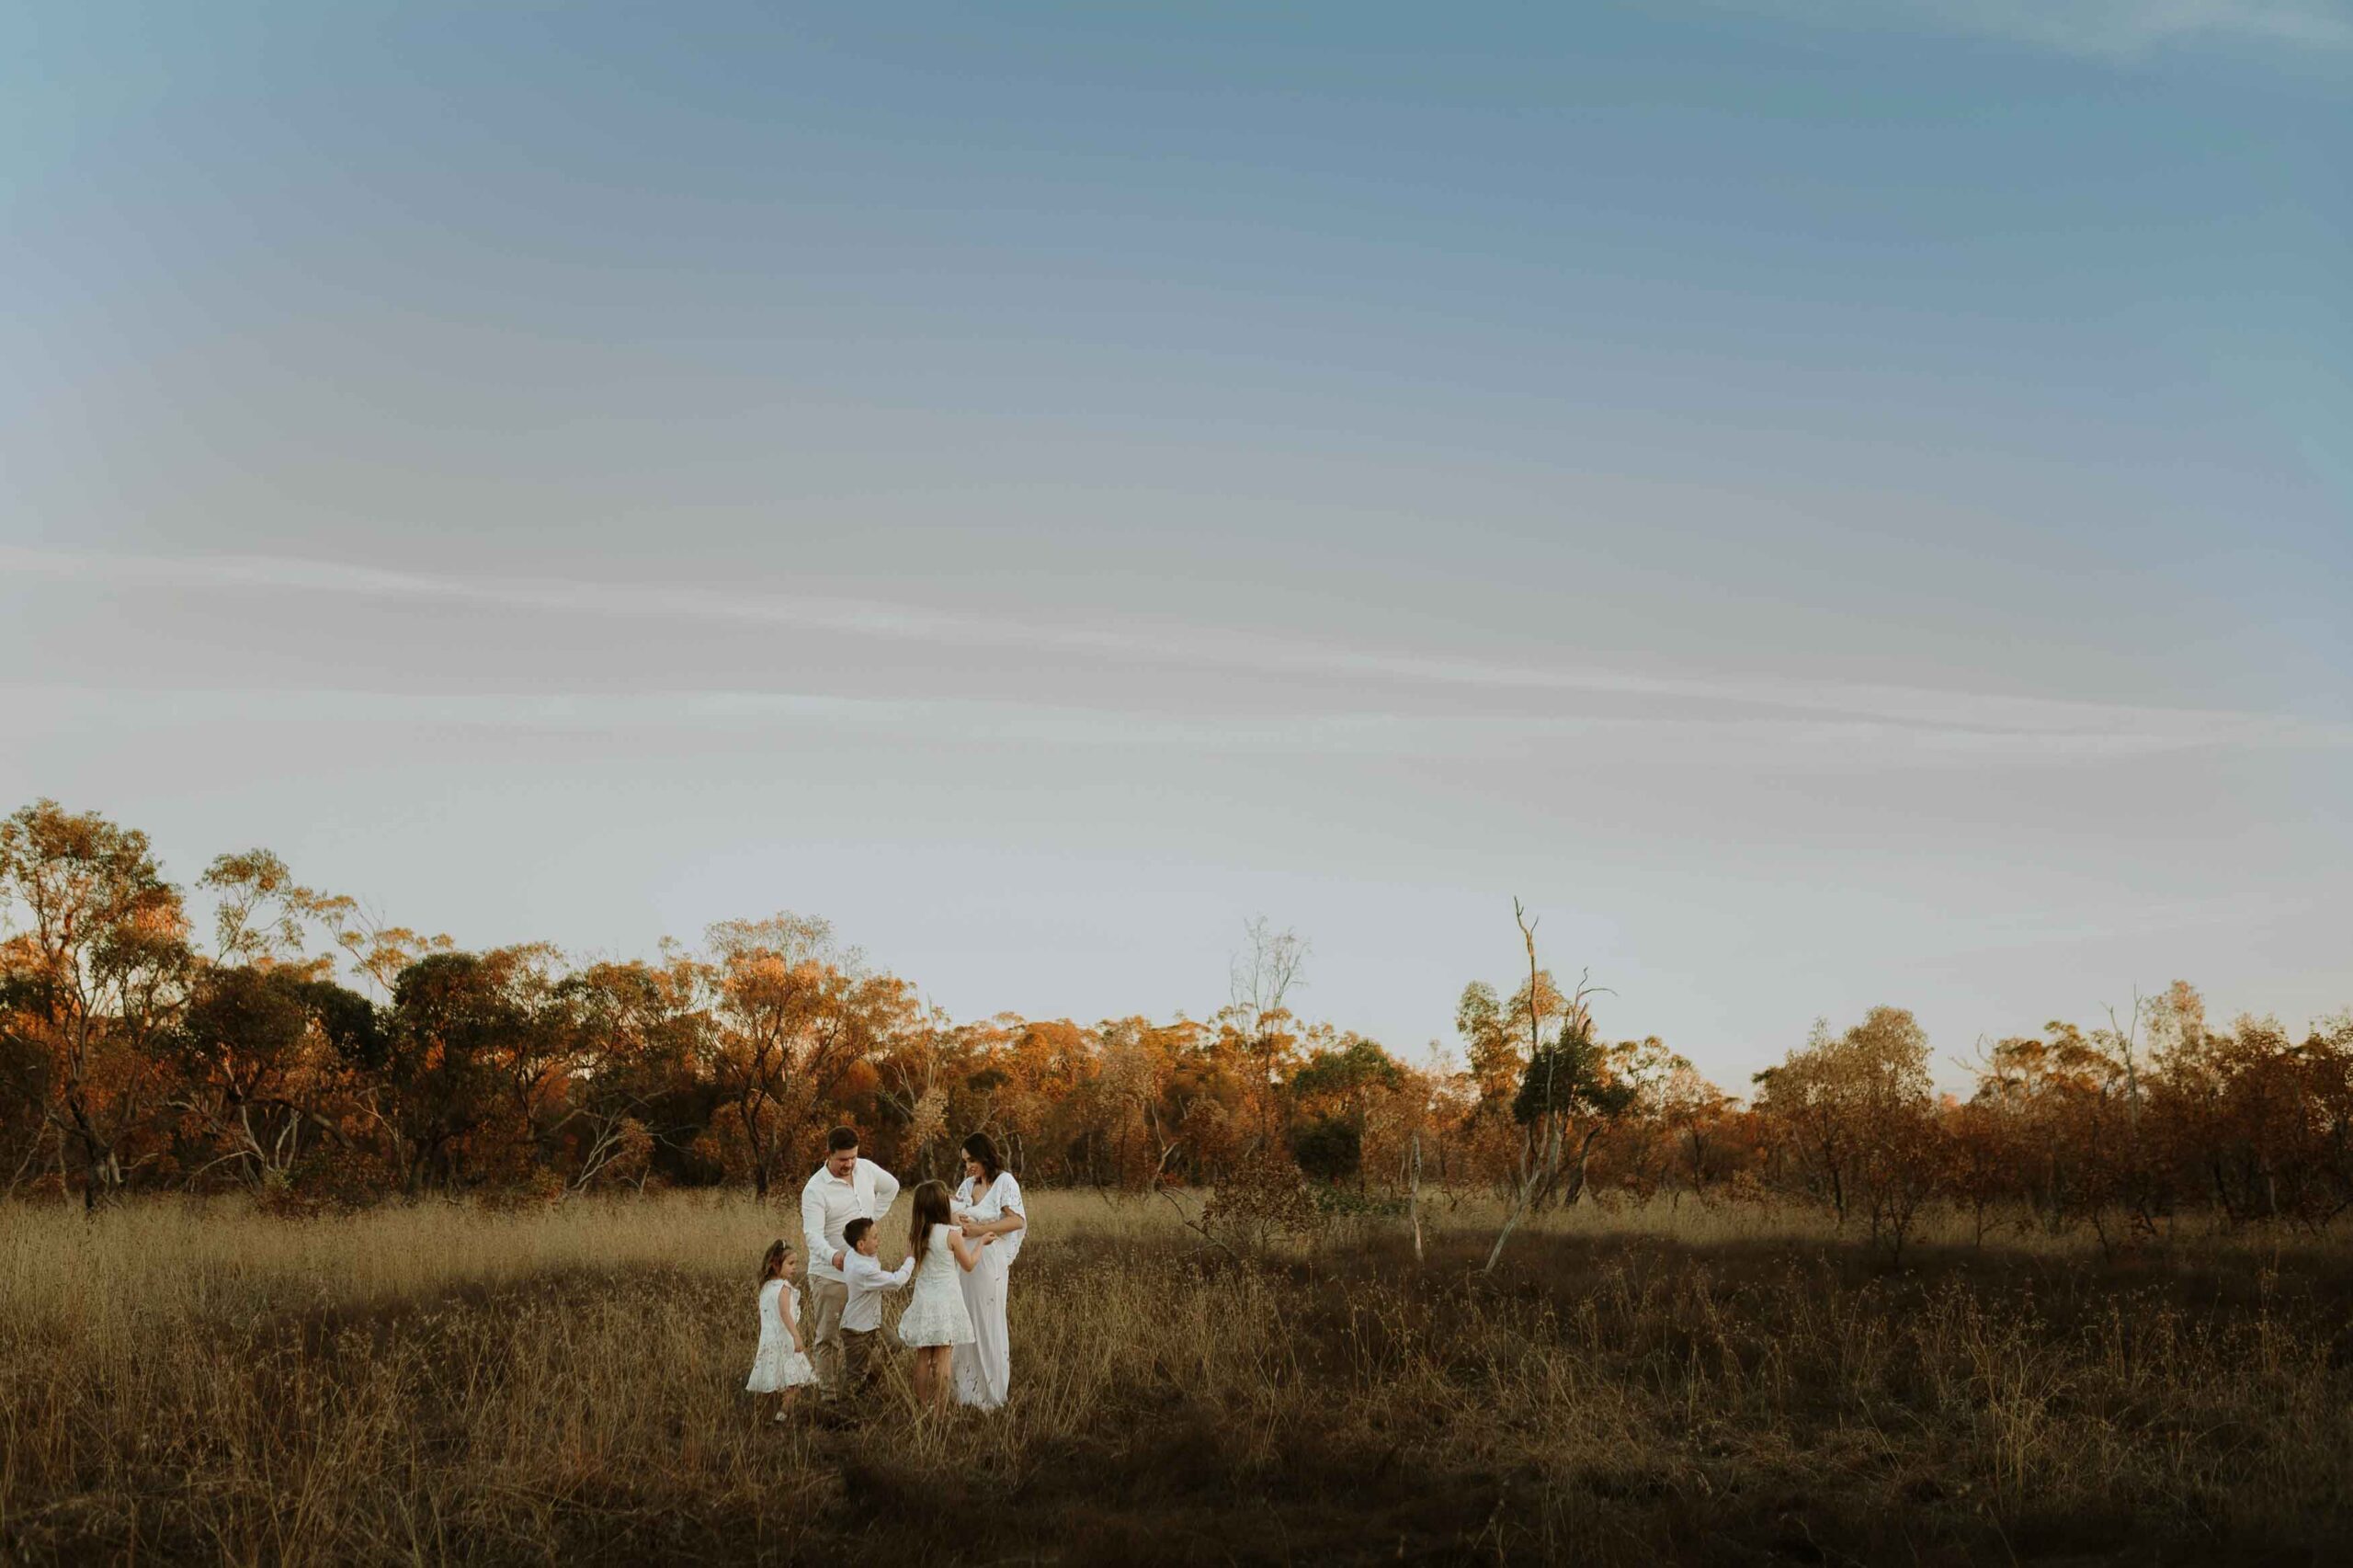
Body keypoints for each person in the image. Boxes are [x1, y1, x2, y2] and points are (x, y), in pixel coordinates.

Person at [800, 1126, 902, 1400]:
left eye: (853, 1157)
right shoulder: (815, 1189)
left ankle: (861, 1389)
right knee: (828, 1338)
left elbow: (892, 1187)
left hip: (864, 1276)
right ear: (829, 1154)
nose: (849, 1164)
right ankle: (830, 1398)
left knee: (886, 1341)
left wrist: (871, 1221)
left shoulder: (866, 1169)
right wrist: (834, 1256)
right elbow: (812, 1234)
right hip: (830, 1276)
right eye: (843, 1159)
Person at [949, 1131, 1026, 1410]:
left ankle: (991, 1393)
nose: (967, 1166)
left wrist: (980, 1229)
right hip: (965, 1260)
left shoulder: (1004, 1182)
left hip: (988, 1260)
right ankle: (964, 1390)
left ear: (985, 1156)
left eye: (971, 1160)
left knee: (986, 1321)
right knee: (965, 1319)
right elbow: (955, 1217)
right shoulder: (967, 1185)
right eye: (964, 1161)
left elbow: (1015, 1221)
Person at [895, 1179, 981, 1414]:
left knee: (923, 1357)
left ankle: (922, 1408)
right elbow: (969, 1264)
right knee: (943, 1356)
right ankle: (941, 1413)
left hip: (924, 1300)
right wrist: (981, 1242)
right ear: (943, 1205)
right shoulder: (952, 1234)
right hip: (947, 1300)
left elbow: (910, 1263)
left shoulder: (916, 1236)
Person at [836, 1215, 912, 1401]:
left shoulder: (856, 1254)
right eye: (875, 1237)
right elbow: (896, 1282)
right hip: (856, 1329)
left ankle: (869, 1385)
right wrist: (911, 1259)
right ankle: (842, 1413)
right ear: (861, 1244)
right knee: (854, 1376)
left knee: (894, 1344)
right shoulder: (863, 1270)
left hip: (872, 1322)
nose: (879, 1241)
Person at [745, 1239, 815, 1422]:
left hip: (768, 1341)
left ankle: (764, 1416)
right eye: (790, 1264)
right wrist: (797, 1336)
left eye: (795, 1263)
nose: (794, 1268)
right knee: (794, 1383)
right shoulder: (783, 1288)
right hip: (785, 1341)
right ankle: (782, 1415)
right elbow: (785, 1314)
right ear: (776, 1265)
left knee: (769, 1381)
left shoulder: (766, 1287)